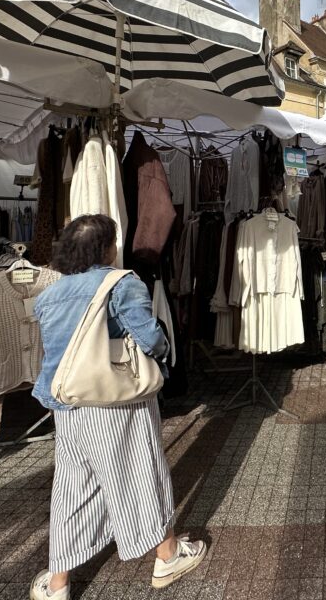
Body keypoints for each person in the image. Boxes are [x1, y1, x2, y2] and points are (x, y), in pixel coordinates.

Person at [29, 215, 205, 599]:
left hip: (68, 405)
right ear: (105, 248)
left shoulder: (50, 293)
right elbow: (150, 338)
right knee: (142, 473)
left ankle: (57, 584)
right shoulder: (121, 283)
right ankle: (168, 555)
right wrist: (162, 355)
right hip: (116, 399)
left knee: (72, 489)